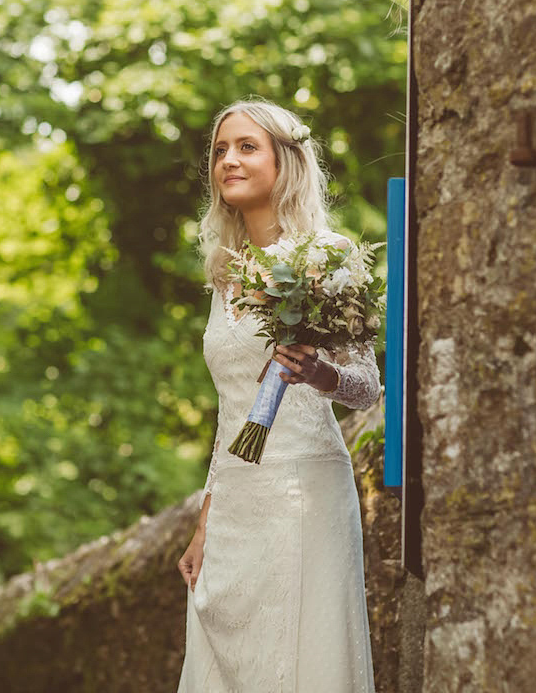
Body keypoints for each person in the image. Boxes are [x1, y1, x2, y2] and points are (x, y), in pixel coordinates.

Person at [177, 99, 380, 691]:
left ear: (284, 161)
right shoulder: (224, 274)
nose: (227, 162)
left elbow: (367, 389)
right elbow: (230, 413)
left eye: (246, 147)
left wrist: (318, 372)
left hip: (304, 492)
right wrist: (205, 520)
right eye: (220, 150)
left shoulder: (329, 259)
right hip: (237, 501)